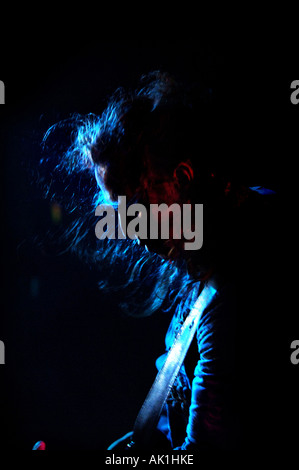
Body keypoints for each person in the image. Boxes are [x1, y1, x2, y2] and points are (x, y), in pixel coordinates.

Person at [39, 71, 280, 453]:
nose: (129, 229)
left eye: (133, 204)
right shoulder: (218, 245)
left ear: (181, 179)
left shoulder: (229, 295)